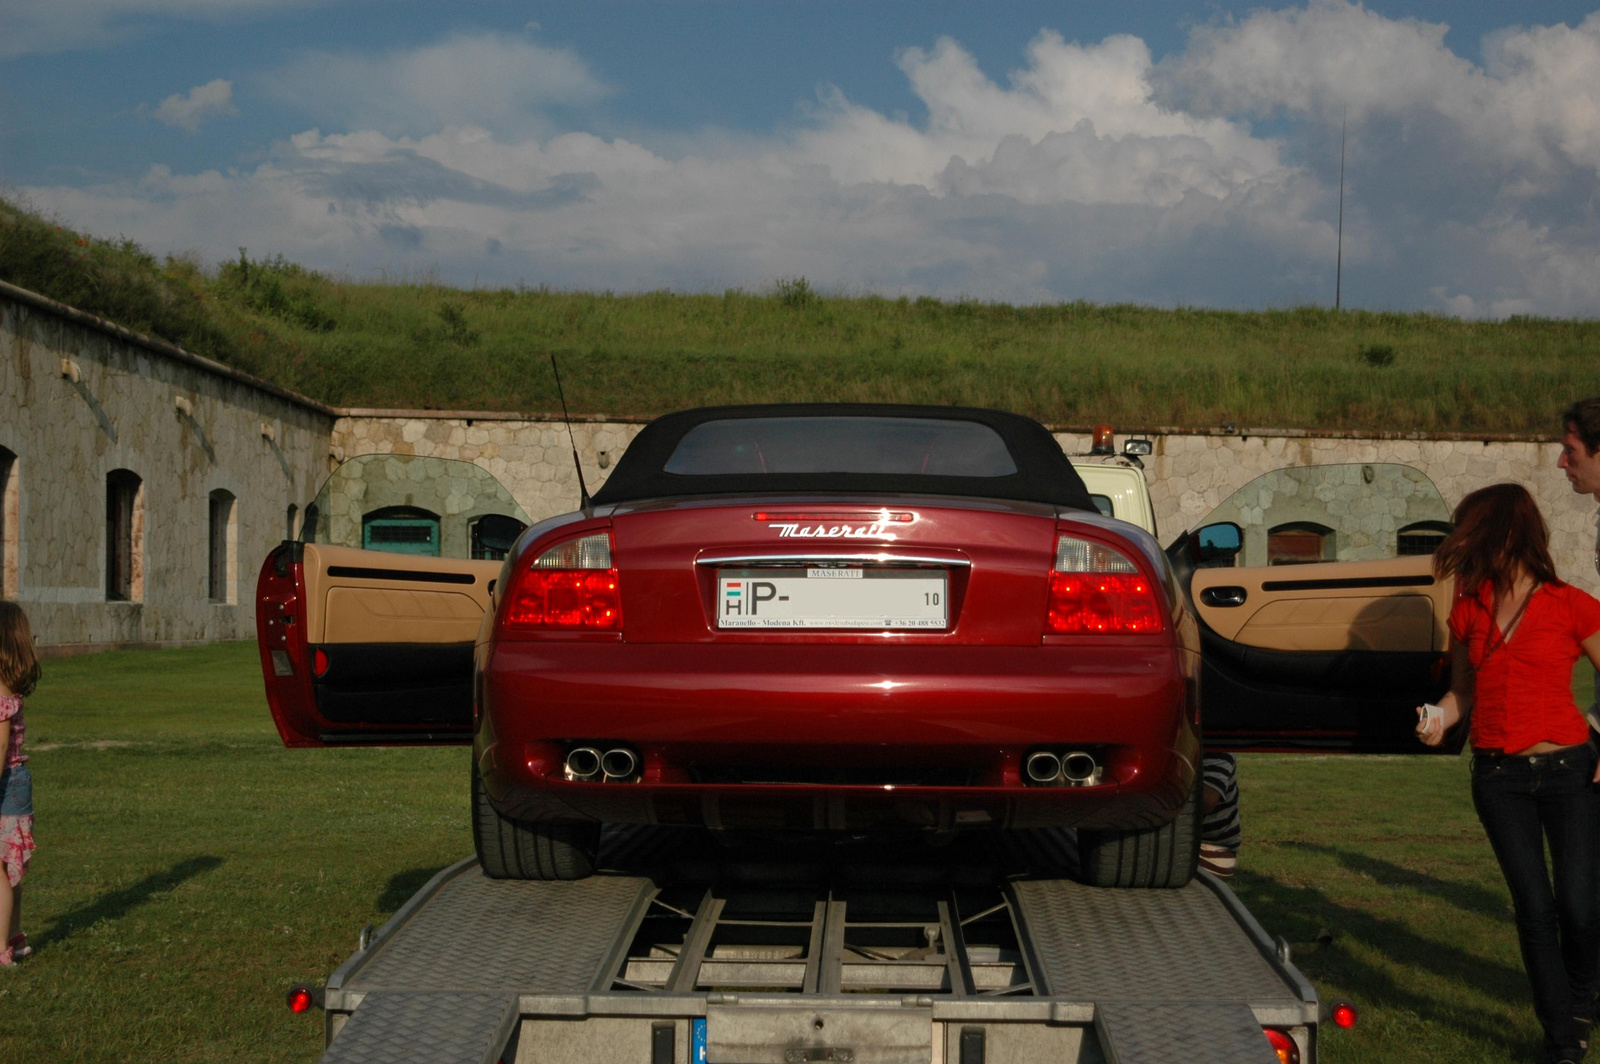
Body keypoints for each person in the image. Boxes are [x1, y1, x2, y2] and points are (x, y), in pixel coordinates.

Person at [1417, 484, 1600, 1064]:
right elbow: (1461, 694)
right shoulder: (1468, 609)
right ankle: (1563, 1041)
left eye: (1470, 532)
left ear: (1501, 533)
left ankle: (1580, 999)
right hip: (1498, 778)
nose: (1462, 545)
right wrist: (1437, 721)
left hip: (1570, 769)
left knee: (1579, 905)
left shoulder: (1573, 604)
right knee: (1534, 908)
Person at [0, 601, 39, 968]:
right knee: (10, 870)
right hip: (17, 782)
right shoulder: (12, 688)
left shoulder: (0, 695)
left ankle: (0, 949)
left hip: (4, 784)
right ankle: (14, 936)